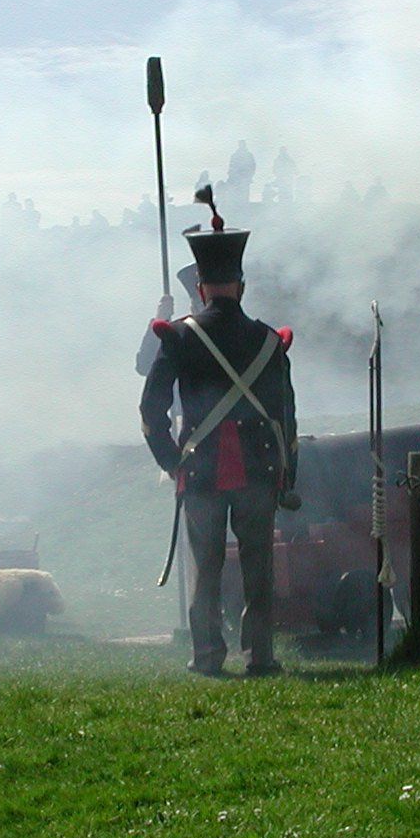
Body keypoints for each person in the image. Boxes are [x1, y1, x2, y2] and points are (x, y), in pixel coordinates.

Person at [140, 188, 298, 677]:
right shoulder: (269, 341)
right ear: (241, 286)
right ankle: (260, 657)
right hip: (258, 466)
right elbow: (286, 419)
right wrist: (287, 477)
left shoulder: (178, 336)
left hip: (201, 468)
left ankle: (208, 656)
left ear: (202, 288)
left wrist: (173, 462)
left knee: (206, 570)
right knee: (258, 569)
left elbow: (150, 410)